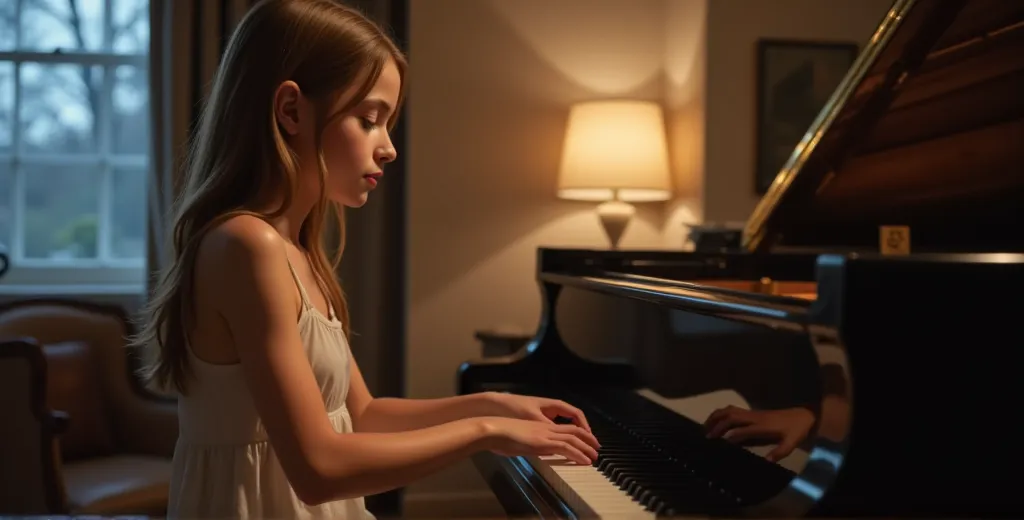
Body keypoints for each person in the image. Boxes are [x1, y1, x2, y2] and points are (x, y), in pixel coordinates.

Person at [131, 1, 599, 518]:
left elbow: (363, 414)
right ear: (291, 111)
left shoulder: (298, 251)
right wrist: (484, 432)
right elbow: (317, 469)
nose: (389, 148)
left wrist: (490, 404)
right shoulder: (246, 246)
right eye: (369, 119)